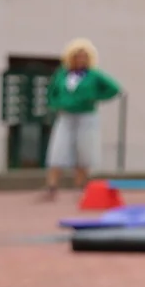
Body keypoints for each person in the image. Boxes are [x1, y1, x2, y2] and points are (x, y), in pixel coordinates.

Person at [43, 38, 122, 200]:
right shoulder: (62, 74)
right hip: (65, 116)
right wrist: (56, 104)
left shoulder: (94, 75)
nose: (80, 59)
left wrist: (95, 97)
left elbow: (114, 88)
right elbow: (51, 93)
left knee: (84, 151)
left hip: (86, 116)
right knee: (58, 149)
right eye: (77, 56)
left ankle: (80, 187)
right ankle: (52, 187)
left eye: (84, 56)